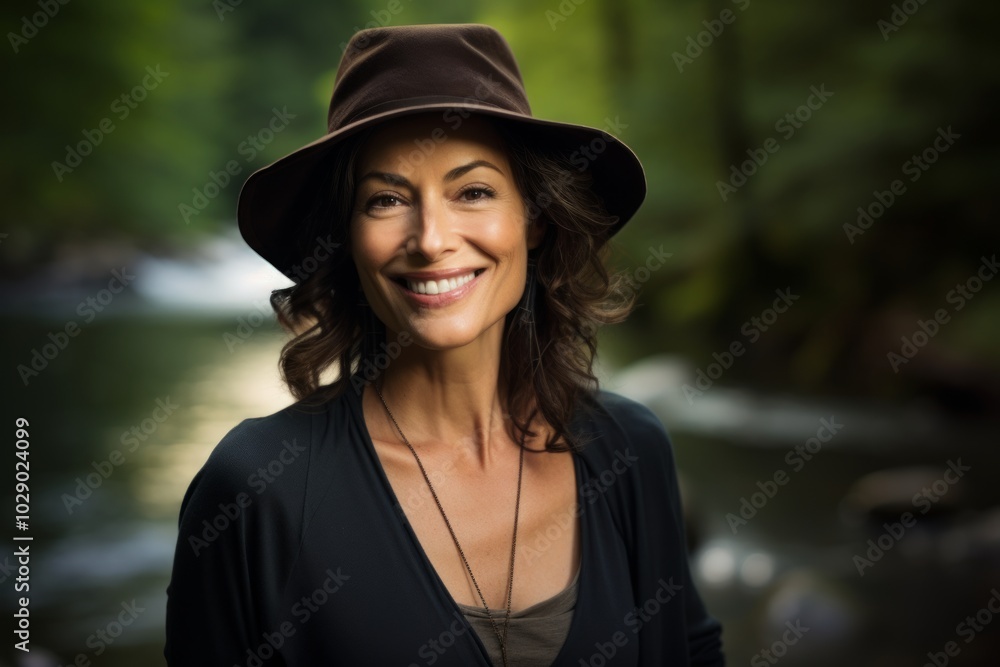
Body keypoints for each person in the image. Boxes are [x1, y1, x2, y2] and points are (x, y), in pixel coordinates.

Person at [164, 23, 724, 666]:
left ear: (535, 219)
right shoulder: (256, 487)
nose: (431, 238)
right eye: (385, 200)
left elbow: (688, 649)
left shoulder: (629, 450)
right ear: (345, 236)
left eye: (474, 192)